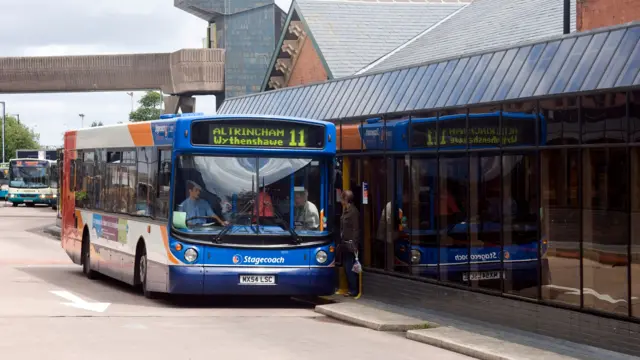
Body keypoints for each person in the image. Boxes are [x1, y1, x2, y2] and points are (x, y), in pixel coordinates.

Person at [340, 190, 360, 297]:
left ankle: (354, 290)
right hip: (345, 243)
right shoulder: (346, 210)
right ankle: (351, 288)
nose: (341, 201)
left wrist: (354, 244)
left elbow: (356, 229)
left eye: (342, 199)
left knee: (350, 267)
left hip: (350, 244)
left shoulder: (353, 212)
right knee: (347, 266)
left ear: (346, 199)